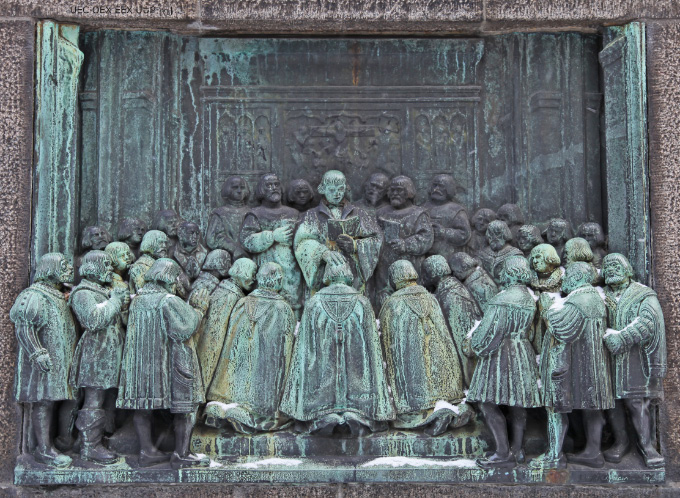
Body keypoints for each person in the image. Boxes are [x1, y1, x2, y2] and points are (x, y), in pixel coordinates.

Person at [281, 259, 395, 435]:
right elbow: (373, 351)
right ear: (348, 275)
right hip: (359, 385)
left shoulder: (314, 303)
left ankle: (321, 414)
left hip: (320, 385)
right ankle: (357, 413)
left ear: (327, 276)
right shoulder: (362, 303)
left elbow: (302, 353)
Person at [117, 258, 210, 468]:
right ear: (169, 277)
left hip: (143, 366)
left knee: (143, 408)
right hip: (171, 361)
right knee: (185, 408)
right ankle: (181, 454)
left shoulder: (139, 300)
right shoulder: (168, 300)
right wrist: (199, 309)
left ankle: (147, 450)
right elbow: (185, 328)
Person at [530, 262, 613, 469]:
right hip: (589, 364)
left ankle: (557, 456)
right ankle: (592, 451)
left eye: (567, 277)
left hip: (577, 365)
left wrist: (547, 309)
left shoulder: (581, 300)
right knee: (592, 408)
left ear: (577, 278)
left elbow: (562, 329)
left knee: (558, 409)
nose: (563, 280)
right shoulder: (592, 297)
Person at [379, 260, 470, 436]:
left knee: (409, 412)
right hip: (439, 358)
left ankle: (429, 416)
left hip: (412, 365)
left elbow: (388, 342)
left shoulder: (392, 303)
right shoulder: (430, 298)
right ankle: (445, 410)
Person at [466, 256, 541, 468]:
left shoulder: (502, 299)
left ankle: (501, 452)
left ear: (510, 272)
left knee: (488, 404)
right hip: (521, 350)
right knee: (517, 403)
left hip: (501, 353)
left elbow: (489, 333)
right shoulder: (528, 298)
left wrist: (474, 344)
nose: (501, 275)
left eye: (504, 271)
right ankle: (517, 450)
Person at [205, 263, 296, 433]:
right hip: (263, 385)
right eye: (281, 278)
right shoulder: (282, 309)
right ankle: (250, 414)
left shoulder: (242, 303)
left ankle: (224, 407)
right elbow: (284, 352)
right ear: (276, 280)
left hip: (233, 378)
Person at [10, 253, 77, 468]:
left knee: (56, 399)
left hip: (60, 359)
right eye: (63, 265)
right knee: (43, 401)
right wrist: (37, 352)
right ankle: (44, 449)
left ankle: (57, 443)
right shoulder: (34, 295)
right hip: (45, 360)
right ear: (50, 269)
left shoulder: (56, 294)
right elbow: (24, 326)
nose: (68, 269)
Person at [602, 253, 666, 468]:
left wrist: (623, 337)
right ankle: (621, 442)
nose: (611, 269)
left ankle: (646, 445)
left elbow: (648, 321)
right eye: (607, 266)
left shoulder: (642, 295)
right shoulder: (601, 296)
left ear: (628, 270)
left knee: (637, 402)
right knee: (612, 402)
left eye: (616, 265)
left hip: (633, 359)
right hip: (607, 358)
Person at [69, 251, 129, 464]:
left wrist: (123, 304)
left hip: (110, 353)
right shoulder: (82, 293)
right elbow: (93, 320)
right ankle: (89, 446)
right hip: (96, 353)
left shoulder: (103, 291)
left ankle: (98, 438)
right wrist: (114, 301)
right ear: (93, 268)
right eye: (106, 265)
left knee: (108, 399)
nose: (110, 270)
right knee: (94, 399)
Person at [294, 170, 382, 299]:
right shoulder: (311, 216)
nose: (337, 194)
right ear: (322, 189)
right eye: (332, 189)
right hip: (323, 276)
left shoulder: (360, 214)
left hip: (353, 277)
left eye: (341, 189)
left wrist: (356, 245)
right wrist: (323, 253)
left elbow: (377, 239)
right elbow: (301, 243)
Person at [240, 173, 302, 314]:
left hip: (291, 272)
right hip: (266, 267)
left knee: (292, 307)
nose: (273, 188)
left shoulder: (293, 213)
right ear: (261, 190)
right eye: (268, 185)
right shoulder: (255, 214)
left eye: (276, 184)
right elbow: (247, 241)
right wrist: (272, 236)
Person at [195, 257, 257, 390]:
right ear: (243, 273)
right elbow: (216, 332)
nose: (253, 280)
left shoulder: (226, 290)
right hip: (211, 350)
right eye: (252, 274)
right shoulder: (230, 296)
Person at [422, 255, 481, 388]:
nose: (423, 278)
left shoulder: (449, 294)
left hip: (468, 353)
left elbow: (459, 338)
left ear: (432, 274)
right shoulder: (452, 288)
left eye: (425, 274)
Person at [375, 176, 433, 307]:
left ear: (409, 193)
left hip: (410, 265)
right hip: (385, 267)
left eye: (399, 190)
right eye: (392, 190)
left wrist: (405, 244)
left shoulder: (419, 214)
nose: (395, 194)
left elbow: (426, 238)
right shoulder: (381, 213)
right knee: (385, 299)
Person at [423, 174, 471, 260]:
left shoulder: (456, 210)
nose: (436, 189)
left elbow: (464, 235)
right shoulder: (423, 208)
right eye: (434, 185)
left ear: (449, 189)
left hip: (448, 256)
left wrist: (443, 232)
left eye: (441, 186)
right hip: (425, 254)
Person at [205, 176, 251, 260]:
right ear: (228, 189)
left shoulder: (251, 212)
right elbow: (212, 239)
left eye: (242, 188)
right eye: (235, 187)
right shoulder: (220, 213)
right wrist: (234, 249)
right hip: (226, 257)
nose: (239, 191)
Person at [478, 220, 523, 285]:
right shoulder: (482, 254)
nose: (494, 237)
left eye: (498, 233)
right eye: (491, 233)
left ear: (505, 234)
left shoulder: (515, 254)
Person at [128, 230, 169, 294]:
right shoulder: (139, 267)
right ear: (149, 243)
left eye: (165, 243)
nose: (164, 246)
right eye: (160, 242)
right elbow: (144, 293)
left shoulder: (162, 264)